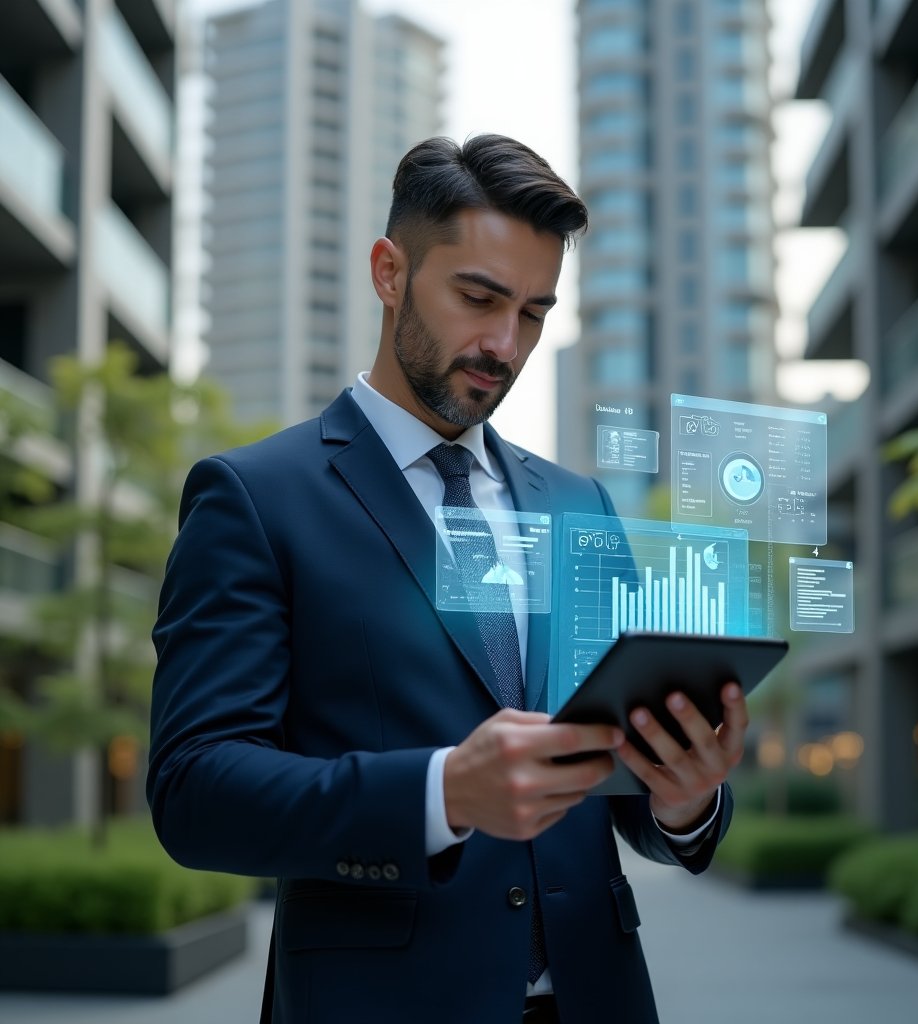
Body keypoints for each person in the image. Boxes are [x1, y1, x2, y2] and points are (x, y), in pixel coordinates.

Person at [147, 134, 749, 1024]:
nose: (505, 344)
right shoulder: (256, 498)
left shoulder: (578, 505)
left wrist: (684, 798)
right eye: (479, 297)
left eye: (534, 314)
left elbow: (618, 788)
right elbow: (195, 790)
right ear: (389, 272)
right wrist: (440, 793)